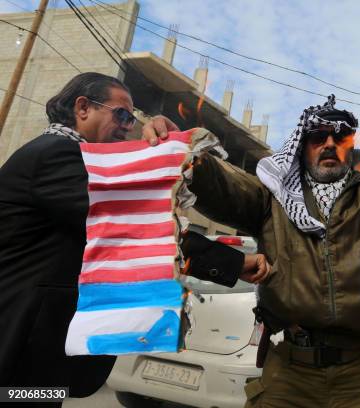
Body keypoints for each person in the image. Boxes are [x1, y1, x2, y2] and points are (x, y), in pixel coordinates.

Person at [148, 64, 360, 407]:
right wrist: (180, 153)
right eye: (318, 137)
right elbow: (221, 186)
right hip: (289, 373)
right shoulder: (272, 196)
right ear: (303, 145)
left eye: (339, 137)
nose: (329, 143)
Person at [0, 72, 268, 400]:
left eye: (132, 118)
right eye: (122, 114)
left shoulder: (76, 161)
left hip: (36, 349)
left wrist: (159, 150)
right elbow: (134, 228)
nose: (128, 126)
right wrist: (235, 263)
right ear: (83, 108)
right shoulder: (56, 155)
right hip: (18, 345)